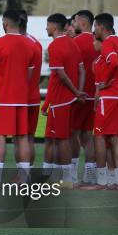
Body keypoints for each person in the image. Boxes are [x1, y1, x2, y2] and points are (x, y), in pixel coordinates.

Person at [0, 10, 36, 184]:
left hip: (3, 99)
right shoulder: (30, 45)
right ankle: (24, 177)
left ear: (5, 23)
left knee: (0, 136)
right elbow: (29, 74)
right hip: (22, 99)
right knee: (22, 137)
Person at [82, 13, 118, 191]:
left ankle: (101, 182)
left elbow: (114, 63)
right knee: (115, 139)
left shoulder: (108, 42)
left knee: (99, 137)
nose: (94, 31)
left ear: (101, 27)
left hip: (108, 97)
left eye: (95, 27)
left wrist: (106, 82)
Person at [41, 13, 86, 187]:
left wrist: (75, 91)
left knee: (61, 139)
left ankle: (66, 179)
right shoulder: (72, 43)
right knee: (55, 138)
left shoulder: (54, 46)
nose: (46, 28)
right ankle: (52, 176)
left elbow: (60, 75)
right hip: (68, 99)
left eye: (47, 25)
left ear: (54, 26)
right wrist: (79, 93)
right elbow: (82, 70)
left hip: (60, 100)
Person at [71, 10, 99, 185]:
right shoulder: (99, 43)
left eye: (74, 21)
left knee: (72, 135)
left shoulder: (75, 42)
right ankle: (90, 175)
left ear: (82, 22)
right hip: (95, 96)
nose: (73, 25)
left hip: (78, 95)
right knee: (88, 137)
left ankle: (72, 175)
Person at [18, 10, 43, 171]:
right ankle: (29, 172)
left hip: (18, 98)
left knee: (20, 138)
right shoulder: (36, 43)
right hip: (34, 96)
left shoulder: (17, 43)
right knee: (30, 138)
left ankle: (22, 174)